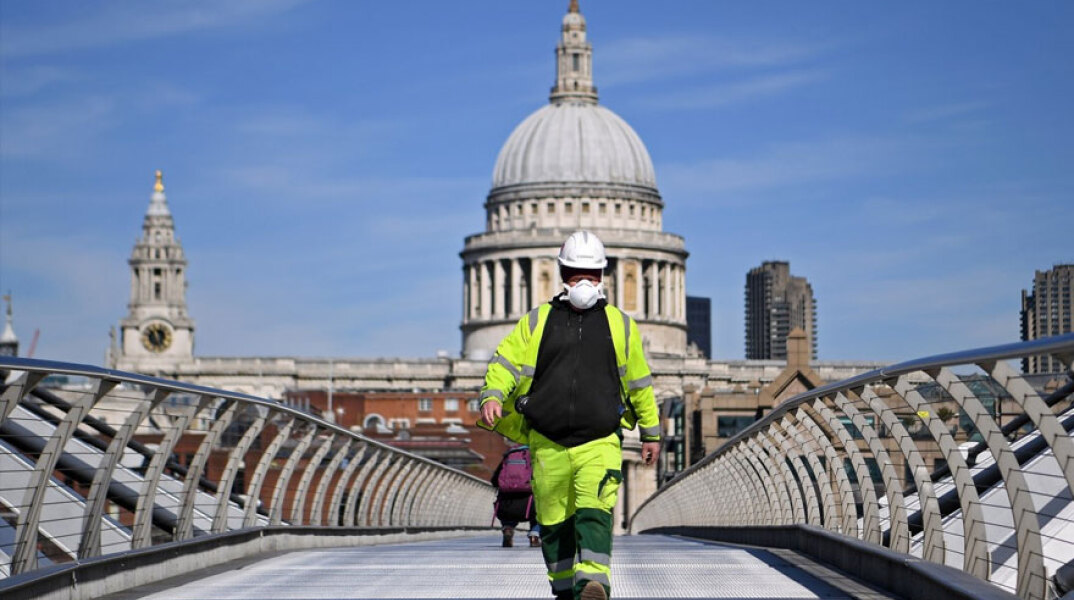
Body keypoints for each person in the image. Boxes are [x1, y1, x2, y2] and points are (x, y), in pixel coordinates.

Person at [478, 230, 661, 600]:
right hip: (548, 441)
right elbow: (505, 362)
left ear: (604, 276)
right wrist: (493, 394)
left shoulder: (622, 325)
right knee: (554, 522)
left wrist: (651, 433)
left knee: (595, 512)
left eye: (591, 274)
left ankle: (593, 583)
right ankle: (564, 589)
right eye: (575, 273)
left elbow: (641, 384)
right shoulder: (536, 321)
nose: (583, 281)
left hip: (600, 439)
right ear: (561, 273)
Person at [491, 444, 541, 548]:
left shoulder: (509, 455)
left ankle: (508, 528)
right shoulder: (536, 456)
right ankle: (534, 534)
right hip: (529, 503)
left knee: (507, 512)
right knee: (541, 511)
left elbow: (494, 480)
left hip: (507, 503)